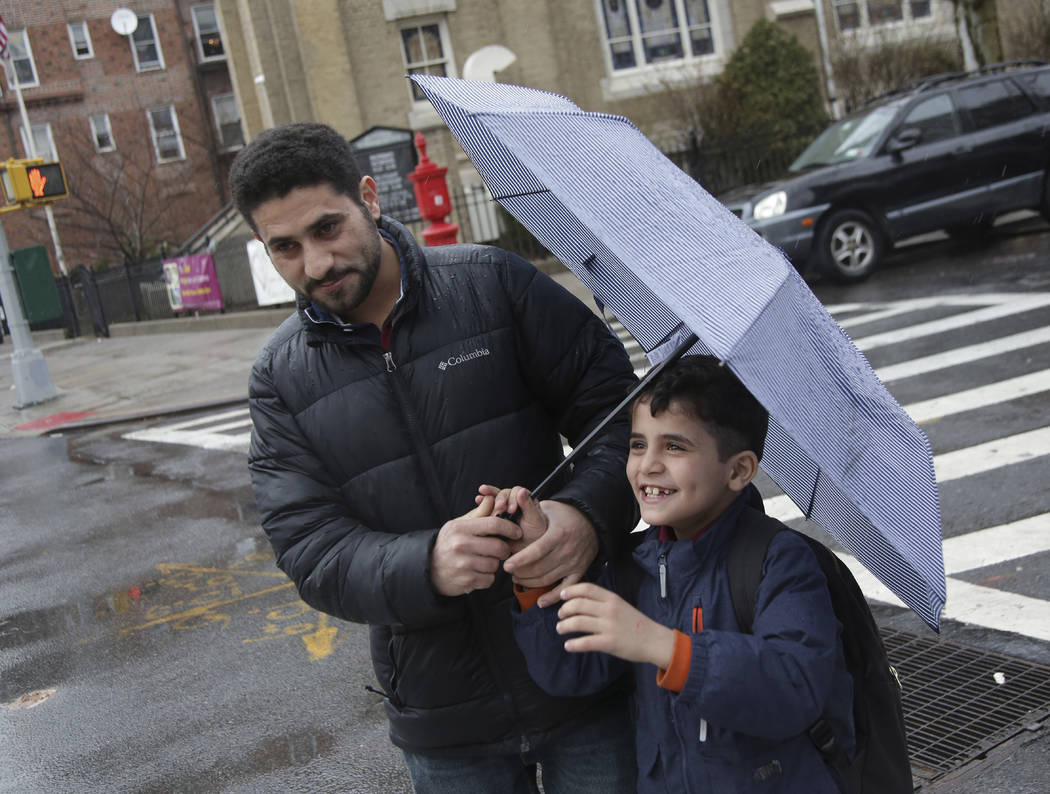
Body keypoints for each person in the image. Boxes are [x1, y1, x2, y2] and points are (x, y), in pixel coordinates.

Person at [228, 122, 640, 793]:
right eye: (286, 248)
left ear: (370, 197)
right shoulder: (280, 377)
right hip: (444, 721)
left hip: (582, 667)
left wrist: (584, 516)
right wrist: (427, 565)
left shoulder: (494, 286)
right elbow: (308, 548)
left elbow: (623, 418)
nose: (317, 264)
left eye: (328, 228)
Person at [506, 354, 855, 793]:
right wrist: (536, 568)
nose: (648, 464)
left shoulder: (779, 561)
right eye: (637, 444)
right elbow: (571, 671)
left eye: (674, 446)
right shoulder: (637, 565)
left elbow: (794, 689)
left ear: (739, 470)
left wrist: (665, 648)